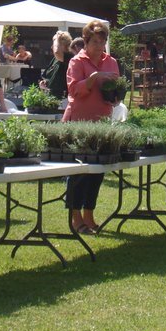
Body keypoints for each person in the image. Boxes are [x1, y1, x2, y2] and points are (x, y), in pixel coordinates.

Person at [63, 20, 119, 234]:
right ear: (86, 42)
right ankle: (75, 217)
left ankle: (89, 214)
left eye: (103, 41)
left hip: (102, 121)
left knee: (97, 171)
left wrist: (115, 97)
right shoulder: (77, 62)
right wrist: (94, 78)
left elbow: (117, 89)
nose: (100, 45)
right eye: (95, 41)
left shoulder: (111, 61)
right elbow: (74, 90)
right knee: (79, 171)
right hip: (79, 121)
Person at [40, 31, 73, 100]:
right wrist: (44, 82)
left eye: (55, 43)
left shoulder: (69, 56)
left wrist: (57, 38)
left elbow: (57, 52)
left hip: (63, 98)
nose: (52, 46)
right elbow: (47, 76)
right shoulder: (55, 59)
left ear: (64, 44)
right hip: (51, 97)